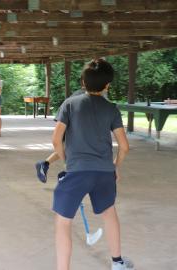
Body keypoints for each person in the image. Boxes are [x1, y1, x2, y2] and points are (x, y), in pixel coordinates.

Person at [51, 59, 133, 270]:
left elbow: (55, 140)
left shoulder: (69, 104)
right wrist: (115, 166)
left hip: (76, 171)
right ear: (108, 85)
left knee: (63, 222)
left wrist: (67, 162)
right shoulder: (112, 108)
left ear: (83, 82)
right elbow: (124, 146)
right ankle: (117, 263)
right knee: (109, 213)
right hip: (104, 172)